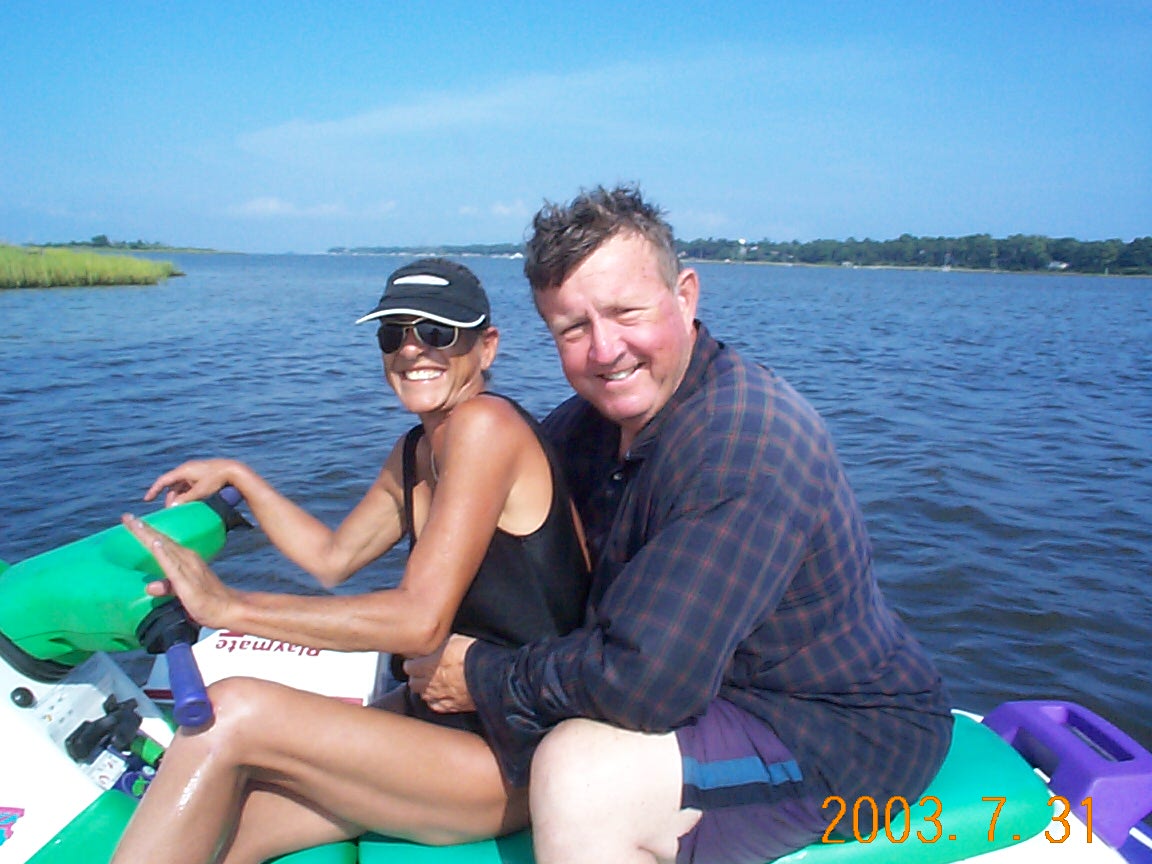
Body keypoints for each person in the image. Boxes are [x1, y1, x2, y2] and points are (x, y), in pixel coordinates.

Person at [407, 187, 954, 864]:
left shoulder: (746, 444)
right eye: (572, 328)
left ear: (686, 296)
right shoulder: (589, 425)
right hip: (702, 687)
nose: (605, 350)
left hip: (832, 733)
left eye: (625, 312)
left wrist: (485, 676)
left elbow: (646, 685)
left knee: (580, 776)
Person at [111, 258, 590, 864]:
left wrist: (227, 606)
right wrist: (242, 478)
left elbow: (419, 621)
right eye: (395, 334)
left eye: (439, 332)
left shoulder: (485, 426)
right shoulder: (418, 446)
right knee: (226, 830)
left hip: (515, 755)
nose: (414, 350)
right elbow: (333, 559)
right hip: (441, 722)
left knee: (232, 710)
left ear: (486, 346)